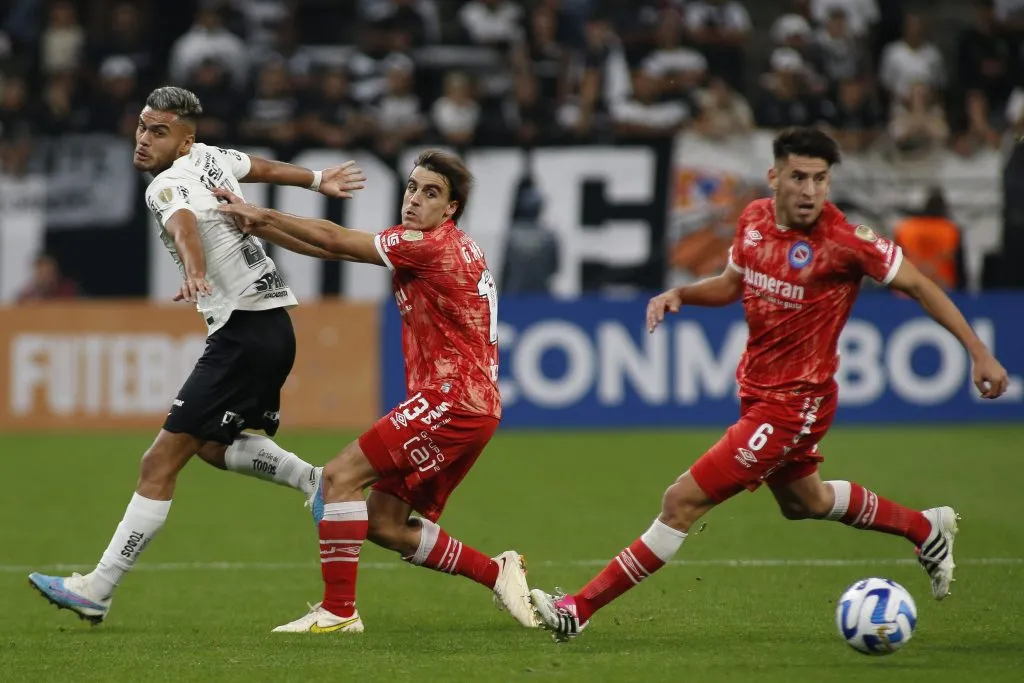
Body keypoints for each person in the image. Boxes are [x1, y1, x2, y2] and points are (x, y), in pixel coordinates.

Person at [529, 127, 1010, 641]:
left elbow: (919, 285)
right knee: (807, 502)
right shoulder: (754, 218)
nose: (809, 191)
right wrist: (682, 294)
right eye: (799, 177)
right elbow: (733, 285)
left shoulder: (846, 243)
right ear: (774, 177)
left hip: (794, 405)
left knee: (681, 502)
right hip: (758, 393)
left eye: (820, 179)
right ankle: (924, 527)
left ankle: (576, 611)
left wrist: (978, 351)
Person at [27, 86, 366, 624]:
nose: (142, 139)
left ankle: (97, 588)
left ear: (183, 142)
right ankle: (314, 480)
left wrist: (194, 268)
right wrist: (317, 179)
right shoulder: (208, 158)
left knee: (159, 461)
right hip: (270, 327)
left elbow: (182, 222)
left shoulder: (167, 183)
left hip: (243, 333)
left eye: (157, 132)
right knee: (212, 446)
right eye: (141, 126)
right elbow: (254, 166)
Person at [214, 148, 537, 634]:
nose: (414, 200)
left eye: (431, 193)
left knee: (339, 478)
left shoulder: (429, 247)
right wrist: (261, 227)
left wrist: (261, 213)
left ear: (450, 208)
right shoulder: (446, 242)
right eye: (412, 187)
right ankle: (497, 572)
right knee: (383, 522)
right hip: (474, 406)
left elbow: (336, 237)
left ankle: (339, 612)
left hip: (453, 401)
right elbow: (335, 247)